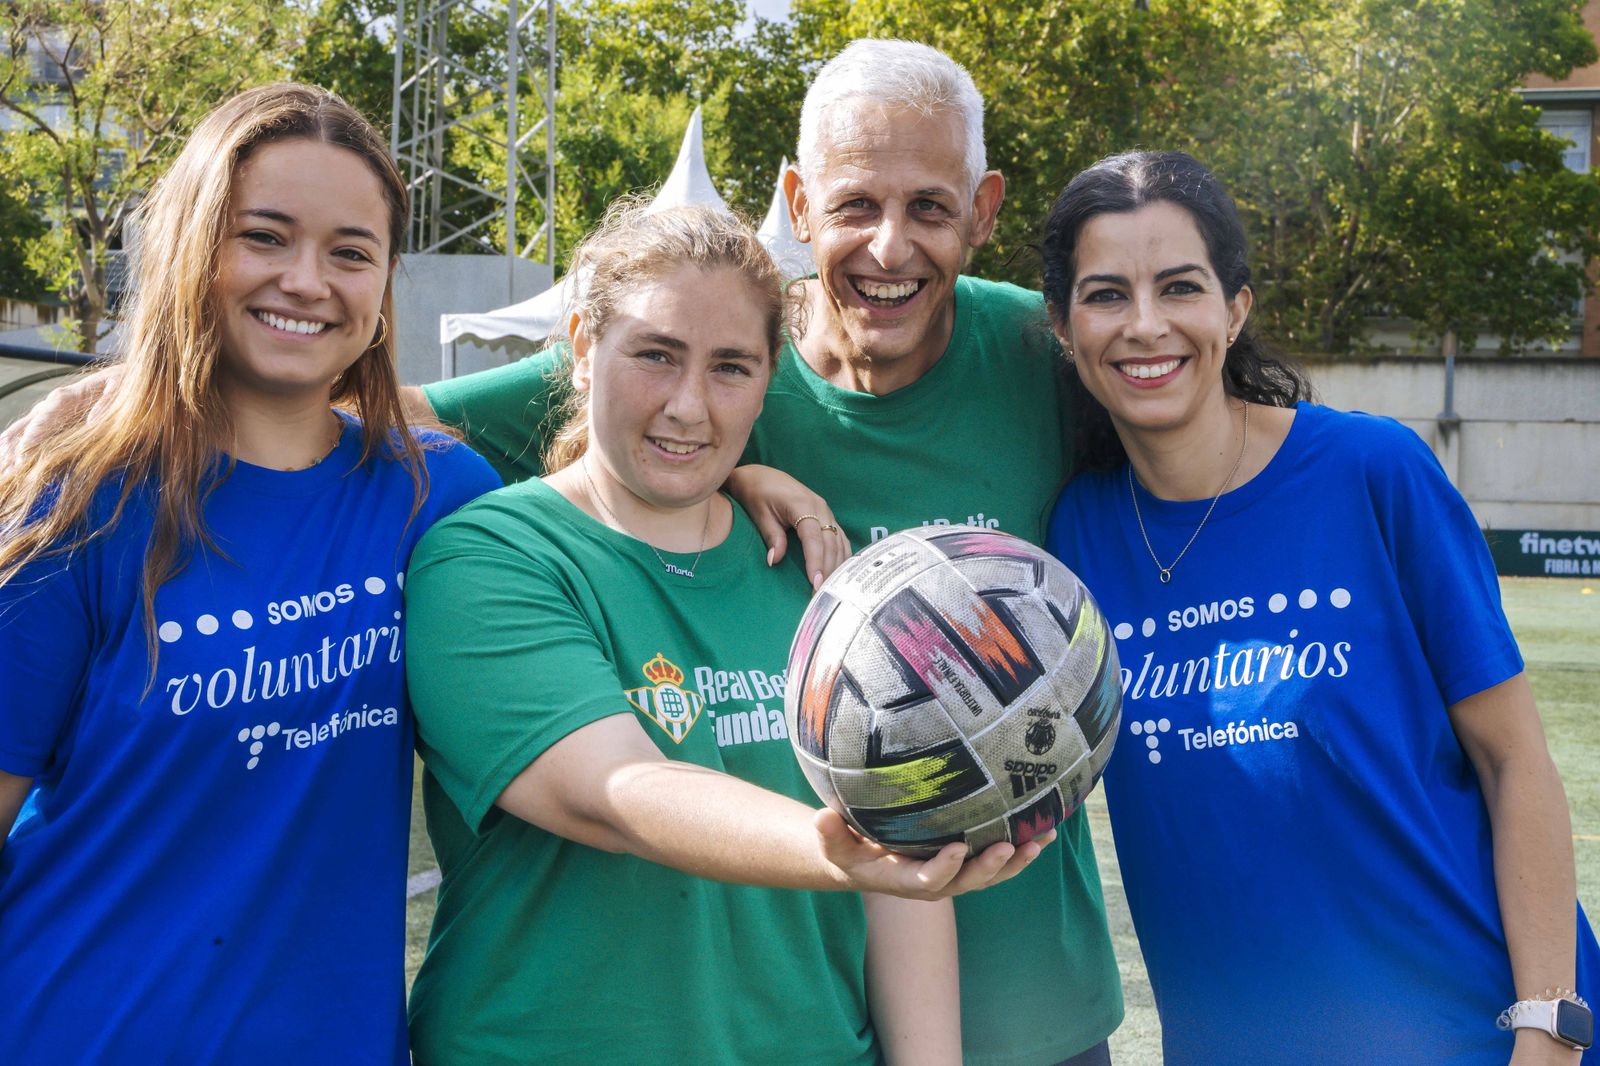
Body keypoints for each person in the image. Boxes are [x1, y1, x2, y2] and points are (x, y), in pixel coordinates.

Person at [417, 41, 1123, 1066]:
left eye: (929, 205)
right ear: (797, 203)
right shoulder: (512, 540)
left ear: (982, 210)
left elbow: (1205, 423)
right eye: (853, 205)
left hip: (1029, 1004)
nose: (890, 247)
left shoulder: (1042, 356)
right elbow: (358, 412)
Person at [1040, 149, 1599, 1065]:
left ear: (1237, 307)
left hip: (1470, 1032)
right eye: (1106, 295)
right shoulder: (1074, 533)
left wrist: (1549, 1027)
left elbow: (1515, 759)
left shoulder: (1372, 472)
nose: (1146, 325)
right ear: (1063, 325)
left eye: (1181, 286)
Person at [0, 84, 499, 1063]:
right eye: (264, 236)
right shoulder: (77, 507)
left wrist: (741, 472)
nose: (307, 280)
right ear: (192, 248)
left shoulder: (438, 499)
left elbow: (620, 423)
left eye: (350, 252)